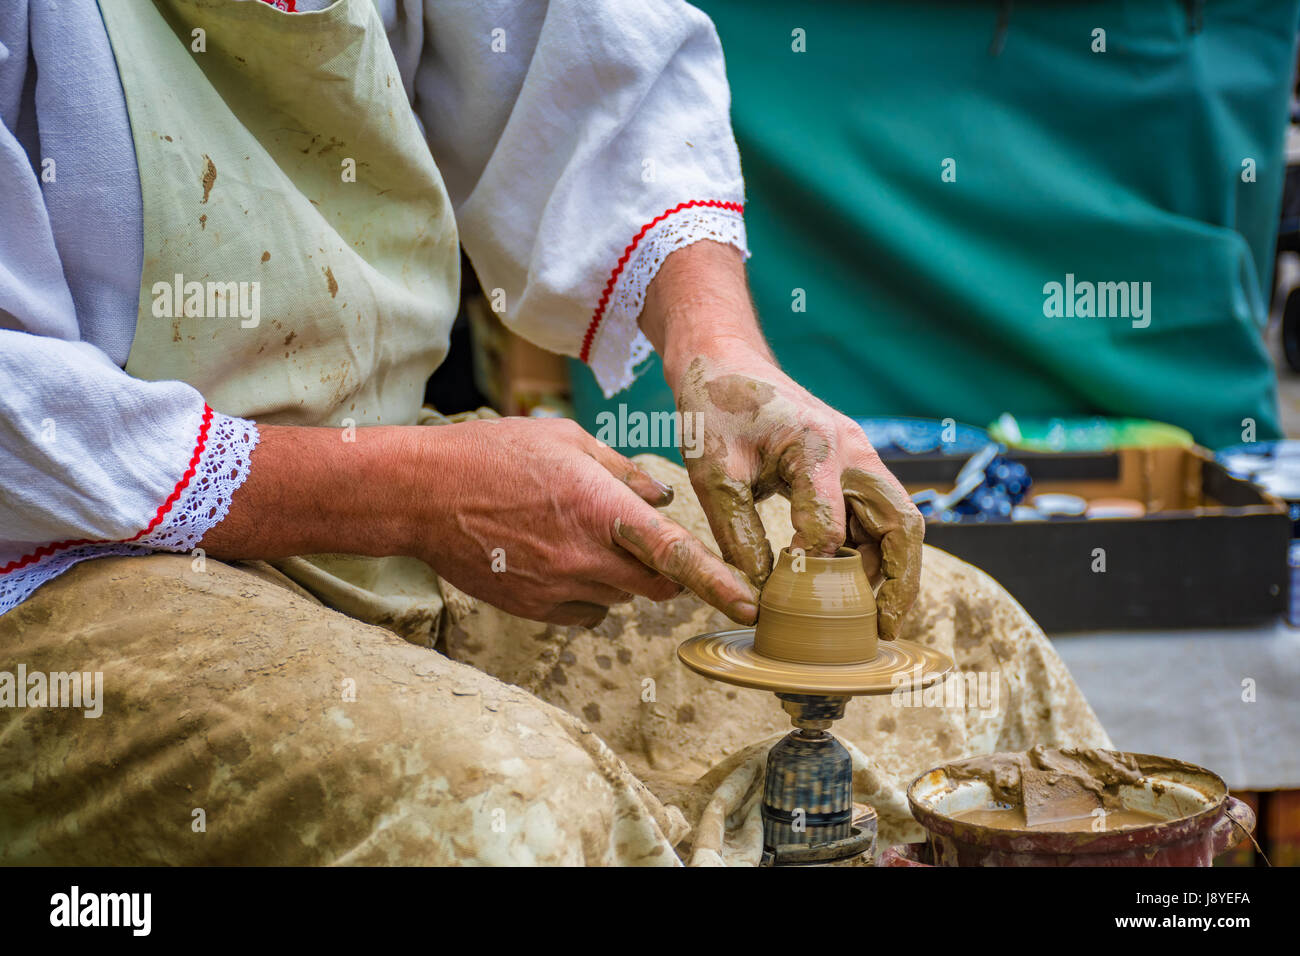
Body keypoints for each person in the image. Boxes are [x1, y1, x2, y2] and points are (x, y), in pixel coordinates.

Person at [0, 0, 1107, 865]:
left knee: (966, 655)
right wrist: (410, 494)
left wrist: (723, 356)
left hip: (382, 479)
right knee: (506, 809)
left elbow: (585, 70)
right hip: (62, 551)